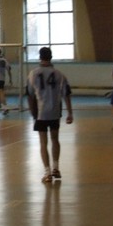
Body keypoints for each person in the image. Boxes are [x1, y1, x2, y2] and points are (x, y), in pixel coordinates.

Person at [26, 46, 73, 183]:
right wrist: (70, 113)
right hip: (54, 111)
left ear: (40, 57)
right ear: (51, 57)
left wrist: (32, 112)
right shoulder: (59, 74)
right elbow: (66, 94)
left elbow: (29, 95)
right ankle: (56, 168)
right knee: (55, 139)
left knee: (43, 142)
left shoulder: (33, 74)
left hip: (40, 112)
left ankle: (47, 172)